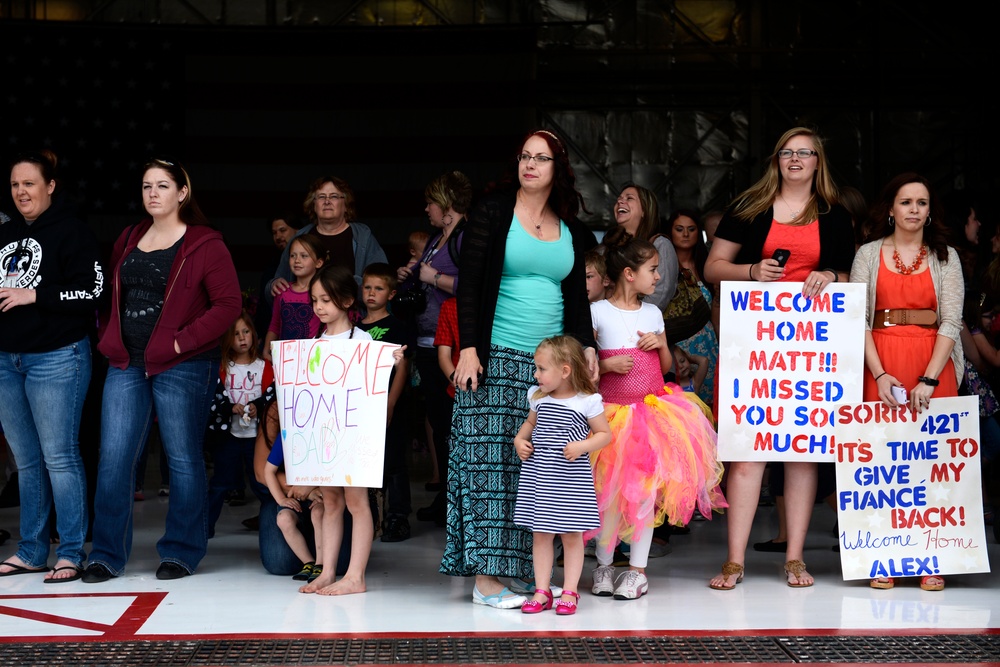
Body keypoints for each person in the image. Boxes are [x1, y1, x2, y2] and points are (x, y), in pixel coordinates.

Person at [444, 128, 599, 609]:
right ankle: (486, 581)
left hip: (550, 370)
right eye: (524, 157)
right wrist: (468, 348)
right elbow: (468, 284)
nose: (530, 165)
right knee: (487, 468)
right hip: (494, 358)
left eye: (541, 158)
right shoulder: (492, 213)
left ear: (558, 168)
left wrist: (586, 345)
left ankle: (521, 576)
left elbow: (576, 297)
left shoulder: (570, 227)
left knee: (533, 470)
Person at [704, 127, 855, 590]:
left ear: (817, 162)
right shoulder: (747, 208)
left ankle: (794, 558)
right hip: (754, 345)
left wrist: (830, 273)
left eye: (804, 153)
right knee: (748, 454)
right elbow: (713, 267)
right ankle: (734, 560)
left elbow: (850, 276)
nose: (795, 159)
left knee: (803, 454)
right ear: (776, 160)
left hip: (809, 350)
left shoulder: (834, 215)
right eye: (787, 152)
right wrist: (752, 271)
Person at [83, 158, 242, 583]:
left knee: (183, 458)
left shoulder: (205, 243)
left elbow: (228, 306)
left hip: (184, 364)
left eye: (162, 186)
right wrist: (110, 337)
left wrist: (180, 340)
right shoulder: (130, 237)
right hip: (126, 363)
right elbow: (112, 294)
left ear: (182, 193)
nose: (152, 193)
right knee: (114, 458)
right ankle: (105, 554)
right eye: (146, 186)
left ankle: (182, 551)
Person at [588, 228, 725, 600]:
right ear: (629, 274)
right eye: (653, 269)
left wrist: (663, 344)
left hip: (652, 416)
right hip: (611, 416)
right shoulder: (596, 312)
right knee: (608, 496)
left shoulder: (652, 312)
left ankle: (636, 570)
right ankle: (603, 564)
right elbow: (585, 368)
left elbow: (667, 368)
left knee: (644, 496)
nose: (659, 276)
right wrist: (604, 361)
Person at [851, 172, 963, 592]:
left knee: (931, 464)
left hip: (932, 365)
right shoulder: (867, 254)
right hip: (880, 363)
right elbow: (857, 318)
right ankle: (884, 556)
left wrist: (930, 379)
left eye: (922, 202)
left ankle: (931, 557)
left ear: (930, 211)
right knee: (882, 467)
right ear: (891, 209)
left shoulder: (946, 256)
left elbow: (952, 320)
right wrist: (879, 374)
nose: (914, 209)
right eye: (906, 202)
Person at [0, 150, 105, 583]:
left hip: (58, 357)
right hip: (7, 361)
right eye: (14, 185)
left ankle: (72, 551)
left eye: (29, 183)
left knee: (59, 457)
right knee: (26, 462)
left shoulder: (74, 233)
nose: (21, 192)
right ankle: (30, 551)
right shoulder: (4, 238)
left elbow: (94, 292)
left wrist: (35, 294)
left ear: (50, 186)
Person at [299, 265, 405, 595]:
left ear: (346, 301)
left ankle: (356, 576)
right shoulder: (312, 343)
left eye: (326, 300)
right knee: (331, 501)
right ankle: (328, 570)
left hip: (355, 433)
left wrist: (391, 359)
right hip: (325, 434)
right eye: (315, 300)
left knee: (357, 502)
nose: (319, 307)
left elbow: (374, 380)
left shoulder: (362, 340)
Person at [513, 336, 611, 615]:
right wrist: (519, 440)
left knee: (571, 534)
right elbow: (530, 423)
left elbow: (604, 435)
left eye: (542, 369)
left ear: (565, 371)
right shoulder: (538, 396)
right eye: (537, 368)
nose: (536, 374)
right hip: (541, 475)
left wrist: (582, 445)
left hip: (570, 479)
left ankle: (569, 590)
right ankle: (542, 590)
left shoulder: (587, 401)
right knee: (541, 534)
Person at [396, 171, 472, 527]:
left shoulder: (465, 238)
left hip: (453, 346)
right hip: (427, 342)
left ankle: (456, 500)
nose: (426, 208)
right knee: (441, 425)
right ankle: (446, 495)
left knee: (452, 425)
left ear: (446, 205)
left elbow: (475, 285)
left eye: (430, 202)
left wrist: (433, 278)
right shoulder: (438, 239)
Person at [358, 262, 415, 542]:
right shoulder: (355, 328)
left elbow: (402, 369)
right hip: (362, 406)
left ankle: (398, 516)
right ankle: (371, 515)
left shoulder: (397, 327)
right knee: (366, 460)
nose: (371, 293)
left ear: (391, 294)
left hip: (389, 404)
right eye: (367, 287)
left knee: (393, 461)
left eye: (378, 288)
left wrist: (390, 405)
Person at [205, 310, 275, 537]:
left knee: (262, 484)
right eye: (236, 334)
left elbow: (273, 397)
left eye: (246, 332)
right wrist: (229, 406)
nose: (243, 338)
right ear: (227, 339)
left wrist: (258, 404)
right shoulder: (222, 367)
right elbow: (214, 398)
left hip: (257, 438)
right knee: (220, 484)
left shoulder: (265, 367)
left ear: (254, 335)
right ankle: (205, 528)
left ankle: (272, 526)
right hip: (229, 438)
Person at [268, 176, 387, 300]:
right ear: (314, 205)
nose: (327, 201)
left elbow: (383, 282)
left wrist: (350, 287)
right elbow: (277, 283)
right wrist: (274, 284)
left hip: (351, 315)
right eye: (321, 197)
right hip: (307, 316)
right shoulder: (300, 238)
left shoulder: (363, 237)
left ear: (346, 205)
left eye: (334, 196)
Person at [262, 405, 325, 583]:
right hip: (295, 497)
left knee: (319, 513)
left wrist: (312, 487)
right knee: (283, 518)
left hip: (320, 495)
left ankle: (321, 563)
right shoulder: (287, 436)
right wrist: (281, 499)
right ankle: (309, 562)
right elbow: (268, 471)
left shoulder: (323, 435)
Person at [667, 209, 718, 405]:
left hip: (708, 343)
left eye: (691, 229)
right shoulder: (663, 265)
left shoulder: (707, 265)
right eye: (679, 229)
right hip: (679, 344)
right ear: (670, 232)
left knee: (709, 402)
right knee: (681, 406)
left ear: (700, 233)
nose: (685, 234)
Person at [610, 183, 678, 310]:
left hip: (645, 327)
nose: (620, 201)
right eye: (619, 199)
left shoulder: (660, 244)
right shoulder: (609, 247)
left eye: (629, 198)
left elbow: (661, 292)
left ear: (644, 211)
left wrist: (635, 317)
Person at [262, 233, 326, 362]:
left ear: (319, 262)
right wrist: (266, 349)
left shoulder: (323, 293)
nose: (297, 260)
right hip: (285, 358)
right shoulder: (283, 292)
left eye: (304, 256)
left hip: (313, 358)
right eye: (293, 255)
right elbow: (275, 324)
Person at [254, 213, 302, 345]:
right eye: (274, 233)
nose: (278, 237)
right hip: (271, 337)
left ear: (298, 230)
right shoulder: (272, 263)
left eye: (283, 230)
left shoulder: (308, 263)